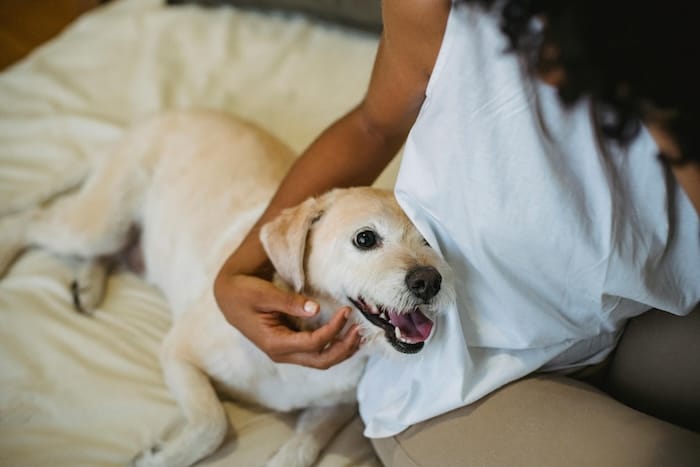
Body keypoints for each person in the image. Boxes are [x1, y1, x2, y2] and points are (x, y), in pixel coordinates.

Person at [214, 0, 700, 464]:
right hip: (458, 368)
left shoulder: (664, 42)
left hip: (640, 312)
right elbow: (373, 125)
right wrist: (240, 270)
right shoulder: (437, 11)